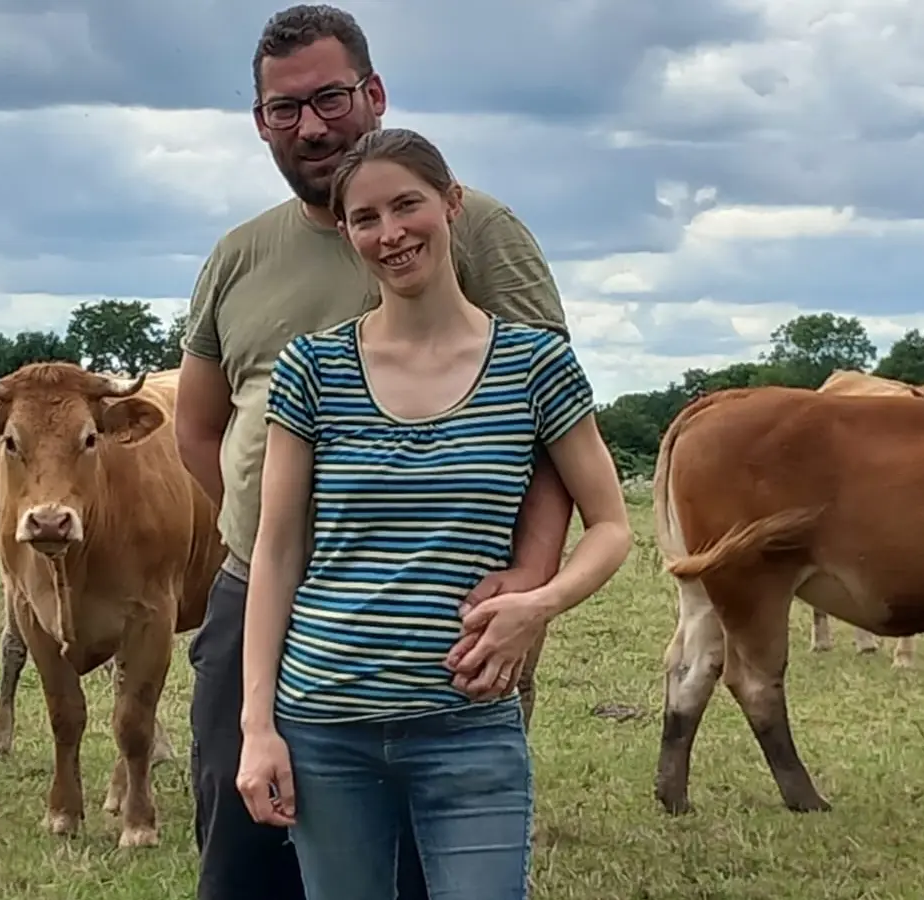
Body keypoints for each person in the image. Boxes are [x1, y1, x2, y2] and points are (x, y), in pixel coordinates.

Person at [174, 6, 578, 899]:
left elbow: (550, 421)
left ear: (375, 93)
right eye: (286, 109)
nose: (311, 125)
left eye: (329, 97)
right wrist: (268, 537)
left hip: (431, 604)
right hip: (260, 597)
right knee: (244, 860)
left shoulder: (478, 233)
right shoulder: (240, 255)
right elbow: (199, 425)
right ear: (260, 122)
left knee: (412, 869)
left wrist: (532, 581)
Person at [233, 126, 632, 900]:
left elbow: (612, 525)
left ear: (451, 206)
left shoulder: (534, 364)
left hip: (468, 724)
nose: (391, 234)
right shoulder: (311, 369)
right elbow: (276, 552)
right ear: (346, 233)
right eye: (365, 219)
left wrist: (536, 603)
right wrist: (257, 728)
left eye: (407, 205)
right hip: (324, 725)